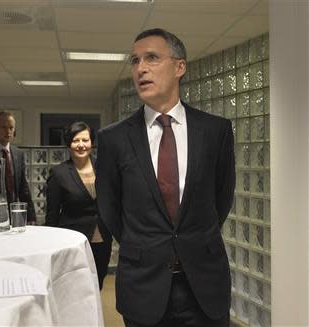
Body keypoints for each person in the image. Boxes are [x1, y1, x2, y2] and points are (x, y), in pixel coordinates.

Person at [95, 28, 235, 327]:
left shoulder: (215, 132)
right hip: (143, 285)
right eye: (134, 61)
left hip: (204, 284)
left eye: (152, 58)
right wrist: (147, 246)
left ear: (179, 67)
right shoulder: (114, 139)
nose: (140, 68)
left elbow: (221, 199)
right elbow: (110, 209)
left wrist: (190, 240)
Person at [45, 122, 112, 290]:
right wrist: (50, 246)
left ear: (91, 142)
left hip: (102, 238)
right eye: (76, 141)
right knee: (75, 288)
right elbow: (52, 214)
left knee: (98, 284)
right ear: (69, 143)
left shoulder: (105, 167)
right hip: (72, 240)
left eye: (85, 140)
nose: (81, 145)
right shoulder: (59, 173)